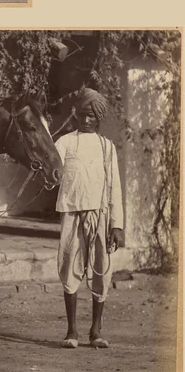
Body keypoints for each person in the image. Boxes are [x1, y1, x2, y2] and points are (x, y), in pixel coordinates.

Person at [53, 88, 124, 349]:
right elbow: (52, 168)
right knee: (69, 267)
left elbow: (115, 187)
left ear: (99, 118)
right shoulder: (65, 142)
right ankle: (71, 331)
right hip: (72, 213)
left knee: (101, 270)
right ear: (76, 115)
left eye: (91, 115)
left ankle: (95, 331)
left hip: (101, 215)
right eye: (83, 114)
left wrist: (117, 225)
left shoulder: (107, 147)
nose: (86, 120)